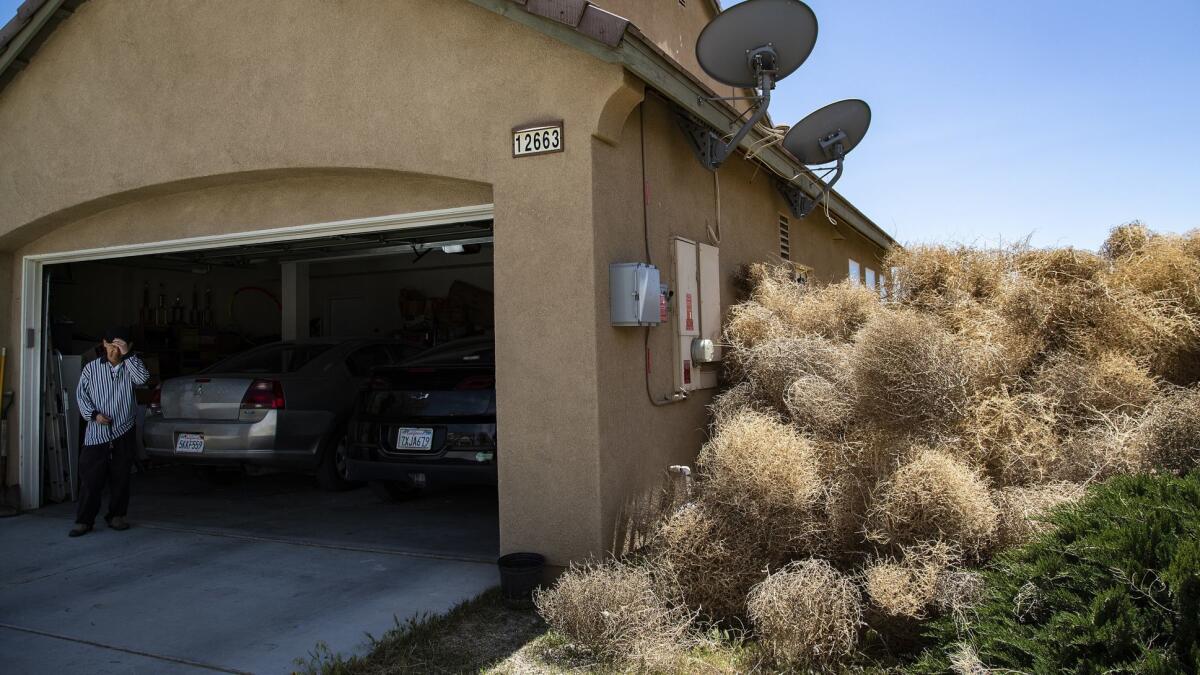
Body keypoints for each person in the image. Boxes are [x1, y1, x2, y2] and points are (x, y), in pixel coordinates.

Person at [70, 327, 150, 537]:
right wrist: (94, 415)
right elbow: (81, 396)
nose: (114, 350)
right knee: (90, 477)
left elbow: (143, 379)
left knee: (121, 476)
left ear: (127, 347)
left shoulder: (130, 367)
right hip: (97, 432)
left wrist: (128, 355)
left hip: (124, 430)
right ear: (103, 344)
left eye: (119, 346)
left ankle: (116, 515)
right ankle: (84, 520)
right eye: (111, 345)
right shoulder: (91, 368)